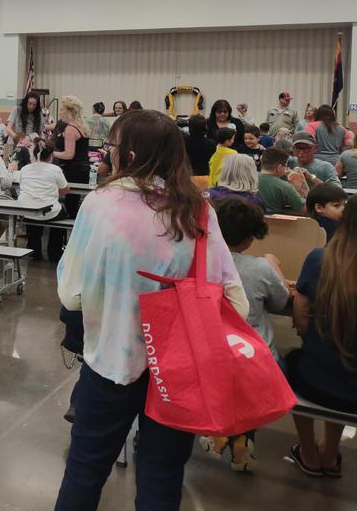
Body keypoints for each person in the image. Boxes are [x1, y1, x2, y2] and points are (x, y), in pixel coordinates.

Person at [55, 109, 248, 511]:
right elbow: (237, 304)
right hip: (178, 371)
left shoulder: (100, 205)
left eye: (112, 146)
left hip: (111, 362)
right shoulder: (198, 211)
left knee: (85, 471)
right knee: (162, 477)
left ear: (128, 155)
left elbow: (71, 295)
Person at [287, 190, 357, 477]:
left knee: (295, 361)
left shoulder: (319, 260)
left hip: (320, 385)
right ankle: (329, 451)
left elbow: (301, 322)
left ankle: (309, 452)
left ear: (346, 220)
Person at [200, 196, 291, 472]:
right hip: (252, 358)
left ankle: (218, 430)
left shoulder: (197, 262)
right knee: (273, 368)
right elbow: (281, 302)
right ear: (250, 238)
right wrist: (274, 266)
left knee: (224, 378)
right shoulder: (260, 268)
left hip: (207, 353)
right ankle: (242, 441)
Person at [49, 96, 90, 260]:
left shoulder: (70, 129)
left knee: (68, 209)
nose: (60, 113)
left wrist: (51, 153)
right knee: (74, 207)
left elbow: (68, 154)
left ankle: (64, 249)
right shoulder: (83, 127)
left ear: (70, 111)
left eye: (62, 110)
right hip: (83, 170)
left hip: (73, 171)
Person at [16, 140, 70, 261]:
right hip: (49, 212)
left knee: (34, 213)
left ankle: (34, 250)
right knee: (60, 216)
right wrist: (53, 192)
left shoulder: (25, 169)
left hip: (27, 211)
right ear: (51, 155)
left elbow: (22, 186)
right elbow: (65, 190)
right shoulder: (55, 169)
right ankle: (54, 252)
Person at [257, 147, 307, 215]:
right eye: (285, 166)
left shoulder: (250, 179)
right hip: (275, 220)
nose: (286, 169)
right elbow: (303, 209)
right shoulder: (284, 186)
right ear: (279, 168)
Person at [184, 114, 216, 183]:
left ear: (190, 127)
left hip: (187, 173)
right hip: (204, 174)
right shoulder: (211, 143)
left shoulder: (183, 140)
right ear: (205, 127)